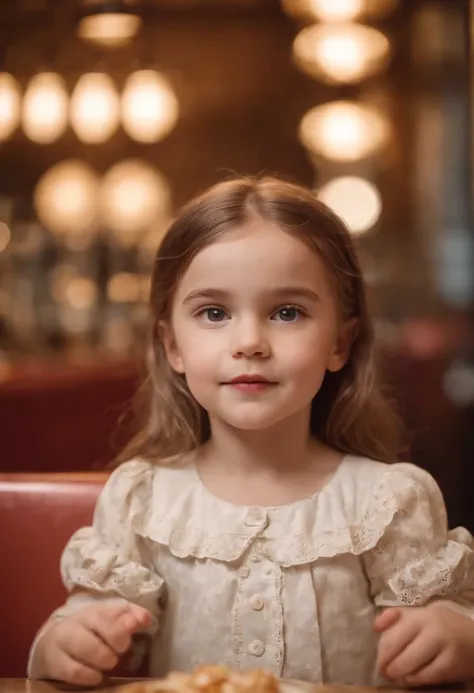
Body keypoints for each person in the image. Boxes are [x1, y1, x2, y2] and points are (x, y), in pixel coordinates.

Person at [29, 176, 474, 688]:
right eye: (214, 313)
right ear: (173, 345)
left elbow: (445, 629)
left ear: (340, 342)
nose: (249, 342)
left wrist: (456, 637)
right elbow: (85, 621)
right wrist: (65, 643)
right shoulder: (142, 500)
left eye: (288, 312)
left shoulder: (390, 502)